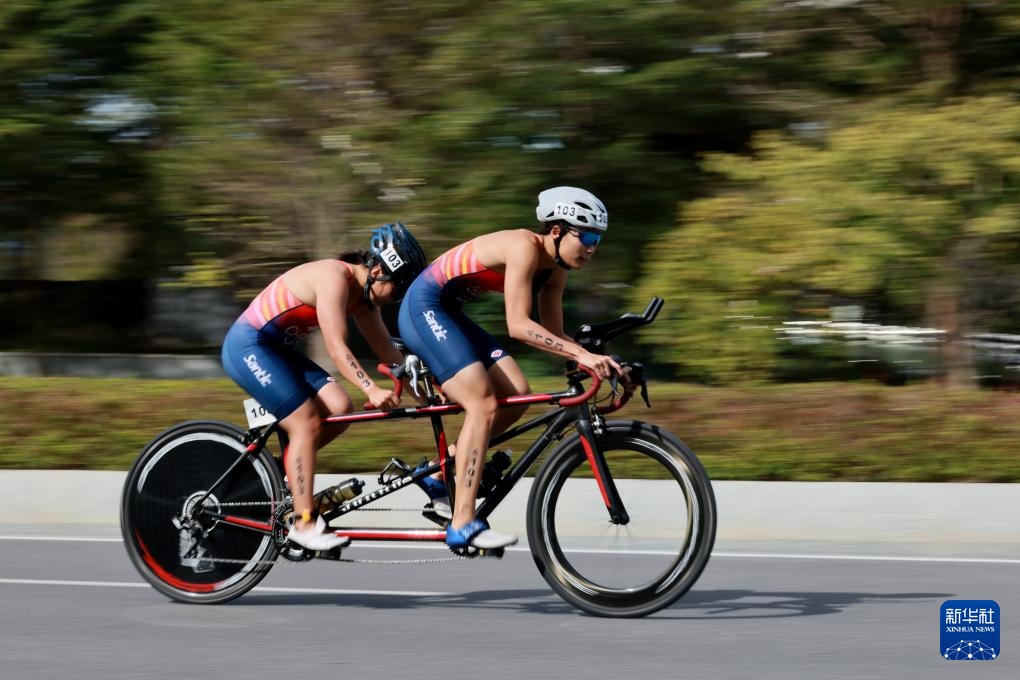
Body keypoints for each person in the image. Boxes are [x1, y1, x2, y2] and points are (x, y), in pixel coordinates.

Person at [398, 187, 622, 550]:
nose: (593, 248)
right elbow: (519, 326)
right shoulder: (523, 247)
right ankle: (463, 523)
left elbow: (552, 334)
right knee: (483, 404)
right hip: (423, 307)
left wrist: (599, 362)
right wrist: (580, 355)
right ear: (556, 231)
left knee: (518, 395)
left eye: (598, 239)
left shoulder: (557, 272)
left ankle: (442, 474)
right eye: (588, 237)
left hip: (449, 316)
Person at [222, 223, 427, 550]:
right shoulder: (335, 278)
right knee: (304, 421)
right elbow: (336, 346)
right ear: (376, 271)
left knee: (339, 407)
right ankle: (303, 524)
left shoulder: (364, 299)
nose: (396, 298)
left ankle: (280, 466)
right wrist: (371, 389)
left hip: (276, 351)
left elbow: (386, 351)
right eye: (397, 289)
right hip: (248, 345)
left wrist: (425, 396)